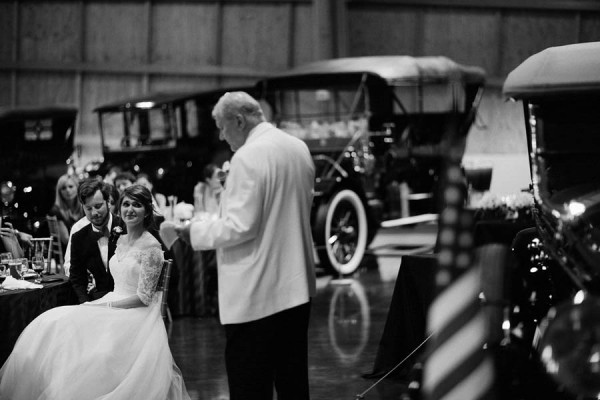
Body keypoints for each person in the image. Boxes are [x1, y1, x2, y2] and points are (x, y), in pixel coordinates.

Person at [176, 91, 316, 399]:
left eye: (223, 127)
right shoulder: (298, 148)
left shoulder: (249, 157)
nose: (222, 136)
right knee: (293, 382)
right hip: (296, 288)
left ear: (239, 120)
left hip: (257, 295)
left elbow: (240, 226)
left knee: (251, 386)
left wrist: (193, 232)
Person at [0, 185, 190, 399]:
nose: (130, 209)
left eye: (137, 205)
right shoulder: (121, 238)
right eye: (126, 204)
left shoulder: (152, 246)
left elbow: (144, 298)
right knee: (49, 323)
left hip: (135, 314)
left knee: (84, 343)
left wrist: (106, 306)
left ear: (146, 211)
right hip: (110, 302)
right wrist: (92, 304)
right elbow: (78, 276)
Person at [69, 177, 124, 303]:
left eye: (98, 206)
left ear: (108, 202)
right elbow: (77, 279)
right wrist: (85, 303)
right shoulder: (79, 238)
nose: (94, 213)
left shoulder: (126, 227)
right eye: (88, 208)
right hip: (98, 301)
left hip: (126, 300)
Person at [48, 174, 84, 247]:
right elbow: (66, 240)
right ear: (59, 192)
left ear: (77, 188)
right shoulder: (56, 211)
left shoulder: (84, 208)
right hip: (68, 253)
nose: (68, 190)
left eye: (70, 186)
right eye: (63, 188)